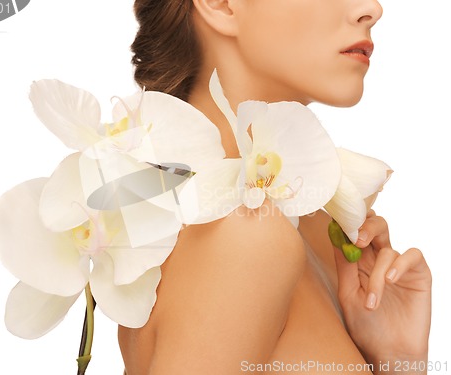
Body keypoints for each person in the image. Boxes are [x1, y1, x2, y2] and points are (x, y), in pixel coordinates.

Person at [118, 1, 432, 374]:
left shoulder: (310, 225)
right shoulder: (242, 236)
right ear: (220, 5)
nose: (372, 9)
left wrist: (398, 361)